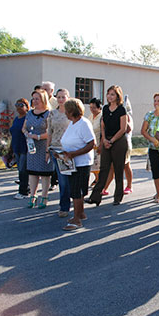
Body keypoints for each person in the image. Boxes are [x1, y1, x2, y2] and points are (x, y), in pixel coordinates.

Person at [85, 85, 128, 206]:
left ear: (117, 96)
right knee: (103, 169)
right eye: (108, 94)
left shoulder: (121, 109)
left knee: (118, 170)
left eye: (112, 94)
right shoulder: (105, 108)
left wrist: (112, 140)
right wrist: (104, 140)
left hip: (118, 141)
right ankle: (95, 197)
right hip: (106, 140)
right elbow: (103, 125)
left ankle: (118, 197)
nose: (110, 96)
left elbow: (123, 128)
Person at [58, 98, 95, 231]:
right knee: (76, 189)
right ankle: (81, 213)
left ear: (72, 111)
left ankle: (76, 220)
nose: (65, 113)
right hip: (71, 162)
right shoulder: (73, 123)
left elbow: (91, 143)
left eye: (67, 111)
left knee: (76, 191)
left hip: (81, 162)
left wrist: (74, 153)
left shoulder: (83, 123)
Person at [22, 89, 52, 208]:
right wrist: (26, 134)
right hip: (32, 146)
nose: (34, 101)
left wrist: (38, 136)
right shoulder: (29, 113)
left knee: (45, 173)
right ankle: (32, 195)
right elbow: (24, 127)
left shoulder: (49, 114)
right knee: (32, 173)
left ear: (43, 100)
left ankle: (44, 196)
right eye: (33, 99)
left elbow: (50, 132)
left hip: (44, 145)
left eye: (37, 99)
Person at [46, 89, 71, 217]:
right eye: (59, 97)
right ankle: (64, 206)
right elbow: (49, 132)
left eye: (63, 97)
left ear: (68, 98)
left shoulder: (71, 114)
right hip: (54, 149)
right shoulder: (52, 113)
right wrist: (47, 149)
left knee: (66, 180)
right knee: (62, 179)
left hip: (67, 150)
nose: (61, 99)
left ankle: (67, 205)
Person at [141, 92, 159, 203]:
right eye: (155, 100)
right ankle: (158, 193)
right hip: (153, 147)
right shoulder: (150, 115)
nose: (156, 103)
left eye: (158, 101)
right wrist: (152, 139)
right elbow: (143, 131)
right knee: (155, 171)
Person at [9, 98, 30, 199]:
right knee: (20, 169)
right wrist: (11, 149)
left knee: (23, 170)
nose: (18, 107)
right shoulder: (16, 119)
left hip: (25, 148)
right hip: (16, 147)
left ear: (27, 107)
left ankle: (23, 191)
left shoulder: (27, 118)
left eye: (21, 105)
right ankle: (27, 187)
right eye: (17, 105)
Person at [88, 98, 102, 187]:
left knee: (98, 165)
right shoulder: (90, 116)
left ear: (99, 108)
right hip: (91, 145)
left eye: (94, 108)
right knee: (92, 166)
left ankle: (99, 181)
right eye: (90, 107)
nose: (92, 109)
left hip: (99, 144)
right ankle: (97, 179)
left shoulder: (102, 117)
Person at [123, 94, 133, 195]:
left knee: (126, 165)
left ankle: (129, 185)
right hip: (117, 143)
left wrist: (125, 117)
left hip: (126, 143)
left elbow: (128, 128)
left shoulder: (128, 116)